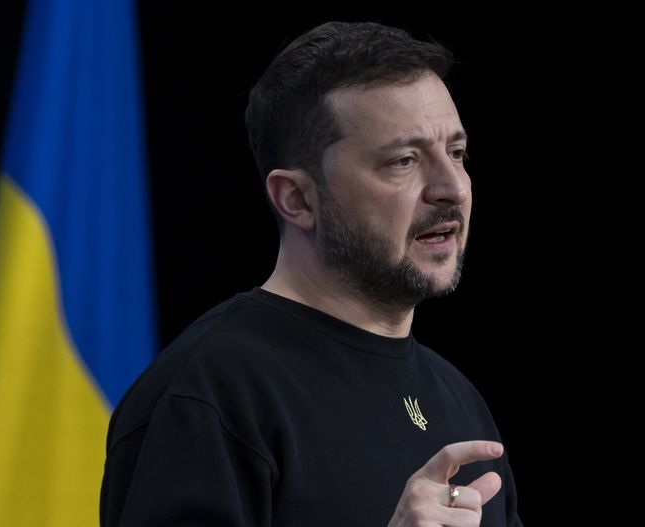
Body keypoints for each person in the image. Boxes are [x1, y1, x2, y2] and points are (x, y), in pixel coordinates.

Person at [100, 20, 523, 527]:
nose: (452, 187)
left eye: (456, 153)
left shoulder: (459, 399)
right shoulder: (210, 392)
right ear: (297, 199)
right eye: (404, 161)